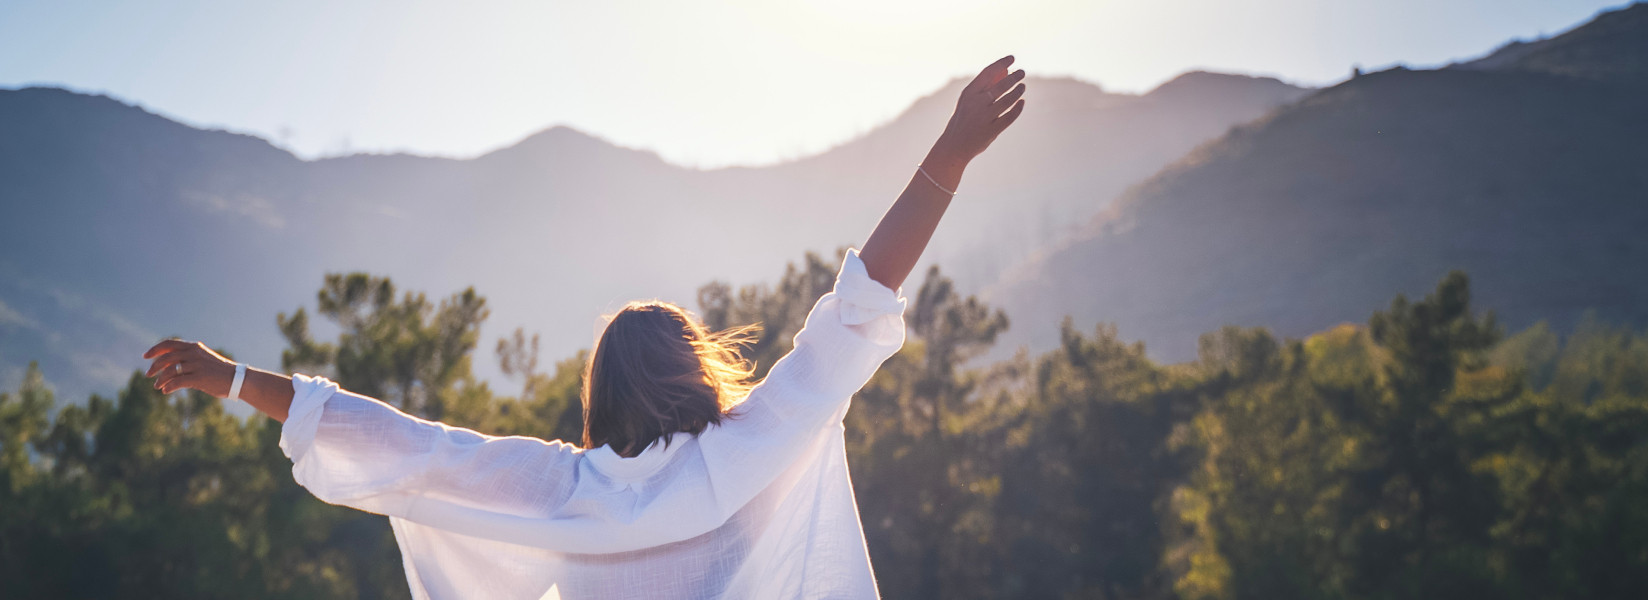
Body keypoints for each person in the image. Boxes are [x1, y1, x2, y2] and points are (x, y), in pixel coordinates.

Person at [141, 56, 1028, 599]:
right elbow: (859, 300)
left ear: (600, 393)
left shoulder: (560, 487)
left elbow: (405, 445)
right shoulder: (757, 441)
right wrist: (948, 154)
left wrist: (231, 377)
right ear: (698, 371)